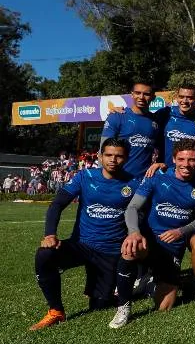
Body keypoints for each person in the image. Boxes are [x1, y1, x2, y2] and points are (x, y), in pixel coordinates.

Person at [29, 139, 140, 330]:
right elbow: (57, 204)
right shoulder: (85, 176)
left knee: (99, 305)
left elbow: (142, 215)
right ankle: (56, 311)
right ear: (100, 156)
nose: (113, 159)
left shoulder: (134, 183)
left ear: (126, 158)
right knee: (44, 254)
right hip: (82, 245)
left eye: (119, 155)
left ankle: (131, 286)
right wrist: (50, 234)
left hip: (110, 251)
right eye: (108, 155)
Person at [110, 139, 195, 328]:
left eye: (192, 160)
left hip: (173, 249)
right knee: (130, 248)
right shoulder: (157, 176)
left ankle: (151, 282)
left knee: (164, 306)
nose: (186, 164)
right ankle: (124, 307)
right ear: (174, 159)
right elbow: (132, 207)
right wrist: (134, 232)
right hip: (150, 243)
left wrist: (180, 232)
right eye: (182, 159)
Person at [101, 81, 158, 178]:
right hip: (118, 180)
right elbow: (102, 151)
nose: (141, 97)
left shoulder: (156, 121)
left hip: (144, 180)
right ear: (132, 94)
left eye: (146, 94)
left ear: (153, 97)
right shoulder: (117, 116)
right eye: (137, 93)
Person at [154, 84, 195, 170]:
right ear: (177, 98)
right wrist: (125, 111)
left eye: (190, 98)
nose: (184, 101)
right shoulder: (164, 113)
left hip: (190, 172)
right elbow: (144, 118)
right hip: (165, 171)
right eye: (181, 97)